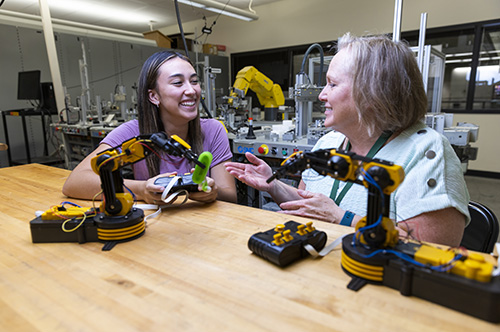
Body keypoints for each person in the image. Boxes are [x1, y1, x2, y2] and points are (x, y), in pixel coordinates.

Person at [225, 33, 470, 247]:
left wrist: (342, 218)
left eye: (332, 84)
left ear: (373, 94)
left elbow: (431, 248)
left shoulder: (426, 152)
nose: (321, 95)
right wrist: (273, 186)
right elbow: (309, 205)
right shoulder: (330, 142)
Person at [63, 51, 237, 204]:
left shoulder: (213, 130)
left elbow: (230, 197)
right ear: (153, 96)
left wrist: (213, 193)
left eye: (194, 81)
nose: (191, 90)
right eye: (178, 82)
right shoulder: (132, 132)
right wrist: (141, 190)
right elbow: (75, 182)